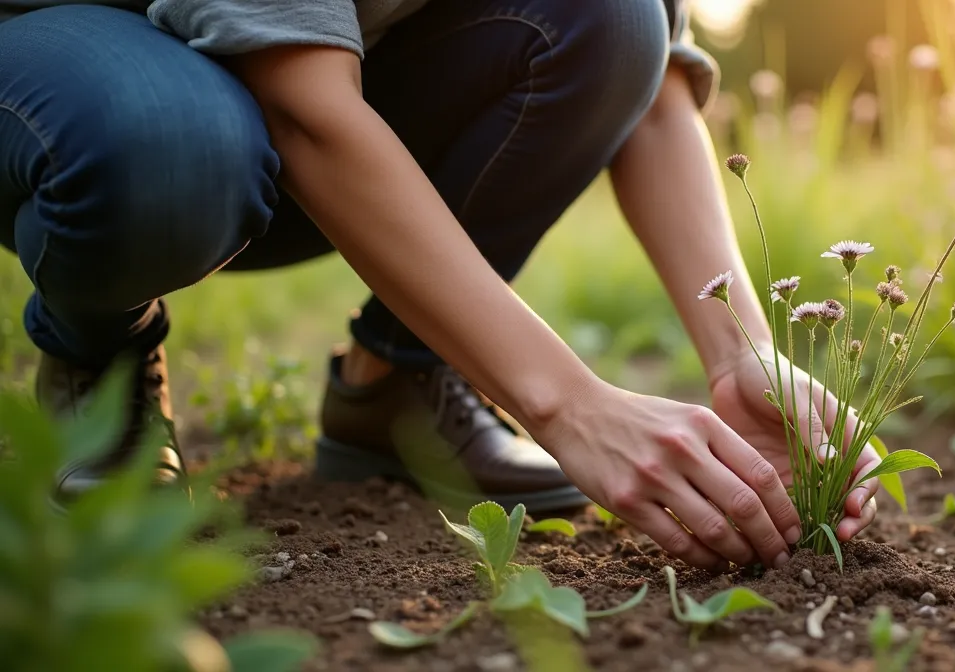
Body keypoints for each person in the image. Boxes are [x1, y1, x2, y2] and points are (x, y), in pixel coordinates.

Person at [0, 0, 883, 571]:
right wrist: (572, 407)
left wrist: (745, 354)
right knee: (166, 136)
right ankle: (99, 358)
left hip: (292, 92)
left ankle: (397, 385)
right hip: (73, 78)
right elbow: (306, 109)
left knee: (613, 23)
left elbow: (653, 92)